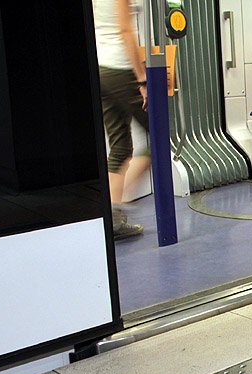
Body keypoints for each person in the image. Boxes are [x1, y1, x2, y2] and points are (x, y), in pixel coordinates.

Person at [92, 0, 150, 240]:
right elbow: (126, 31)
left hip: (101, 68)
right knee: (159, 138)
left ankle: (112, 220)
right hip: (120, 68)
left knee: (120, 147)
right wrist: (142, 79)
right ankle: (121, 204)